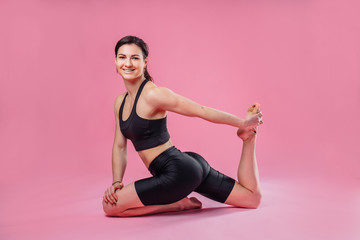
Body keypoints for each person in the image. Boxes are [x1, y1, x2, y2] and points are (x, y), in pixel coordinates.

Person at [102, 35, 263, 217]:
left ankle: (178, 205)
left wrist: (243, 122)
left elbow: (200, 110)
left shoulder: (153, 94)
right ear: (115, 61)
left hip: (177, 172)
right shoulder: (119, 103)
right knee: (252, 199)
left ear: (145, 62)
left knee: (111, 208)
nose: (128, 63)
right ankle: (248, 138)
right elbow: (120, 146)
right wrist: (117, 182)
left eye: (135, 57)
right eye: (122, 57)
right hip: (188, 165)